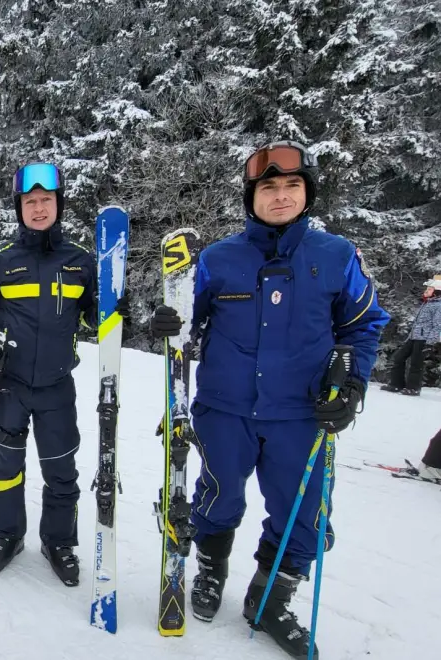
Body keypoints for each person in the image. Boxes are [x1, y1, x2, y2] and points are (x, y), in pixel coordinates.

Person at [150, 141, 389, 658]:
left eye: (291, 186)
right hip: (225, 408)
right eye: (269, 187)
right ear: (251, 196)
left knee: (304, 512)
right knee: (219, 497)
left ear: (307, 194)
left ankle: (270, 597)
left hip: (302, 414)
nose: (280, 197)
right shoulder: (217, 260)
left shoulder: (337, 256)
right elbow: (185, 324)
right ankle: (210, 571)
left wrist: (352, 384)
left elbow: (365, 325)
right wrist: (169, 321)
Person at [0, 162, 97, 587]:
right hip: (9, 387)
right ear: (19, 207)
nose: (38, 208)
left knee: (61, 470)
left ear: (58, 204)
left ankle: (59, 542)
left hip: (58, 386)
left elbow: (101, 319)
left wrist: (123, 312)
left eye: (45, 200)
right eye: (29, 201)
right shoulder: (0, 263)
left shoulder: (80, 261)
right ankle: (8, 536)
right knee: (8, 468)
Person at [381, 276, 441, 396]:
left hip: (424, 339)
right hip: (414, 337)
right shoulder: (427, 303)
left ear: (437, 292)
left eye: (430, 289)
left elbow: (438, 325)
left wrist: (430, 343)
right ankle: (396, 384)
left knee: (416, 364)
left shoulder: (438, 305)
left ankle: (413, 388)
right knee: (398, 358)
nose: (426, 291)